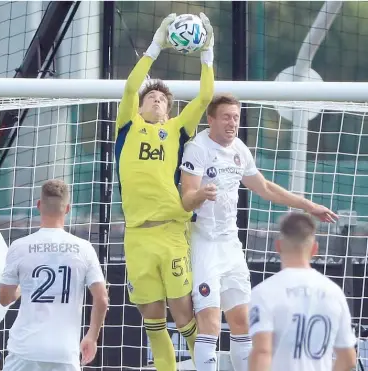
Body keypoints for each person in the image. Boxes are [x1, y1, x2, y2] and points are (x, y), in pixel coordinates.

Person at [179, 94, 338, 371]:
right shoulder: (198, 148)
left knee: (242, 322)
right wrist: (200, 195)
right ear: (211, 119)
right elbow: (186, 197)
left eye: (236, 118)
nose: (232, 123)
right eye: (226, 117)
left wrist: (309, 206)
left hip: (230, 244)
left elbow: (265, 188)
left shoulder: (239, 149)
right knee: (211, 323)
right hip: (203, 242)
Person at [114, 12, 215, 371]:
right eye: (151, 97)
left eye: (162, 99)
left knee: (185, 317)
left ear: (170, 110)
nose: (157, 100)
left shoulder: (175, 130)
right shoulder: (127, 126)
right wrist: (156, 44)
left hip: (172, 232)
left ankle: (207, 366)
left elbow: (204, 98)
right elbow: (129, 87)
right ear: (140, 106)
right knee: (154, 325)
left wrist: (207, 52)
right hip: (137, 237)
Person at [0, 179, 109, 371]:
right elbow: (102, 299)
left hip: (25, 349)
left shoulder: (19, 247)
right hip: (65, 352)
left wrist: (26, 286)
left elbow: (4, 298)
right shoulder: (84, 248)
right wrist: (92, 336)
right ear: (67, 209)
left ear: (39, 206)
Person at [247, 212, 357, 371]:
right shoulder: (334, 293)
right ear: (314, 249)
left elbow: (262, 352)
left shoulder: (264, 293)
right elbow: (348, 358)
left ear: (278, 246)